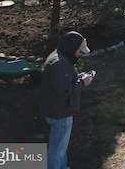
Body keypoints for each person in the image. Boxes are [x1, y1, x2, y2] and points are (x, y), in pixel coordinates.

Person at [39, 31, 94, 169]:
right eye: (79, 51)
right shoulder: (59, 64)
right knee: (57, 150)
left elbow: (62, 83)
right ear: (71, 48)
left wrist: (77, 77)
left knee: (60, 148)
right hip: (61, 113)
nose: (80, 54)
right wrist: (82, 83)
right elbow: (63, 90)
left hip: (57, 110)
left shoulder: (59, 57)